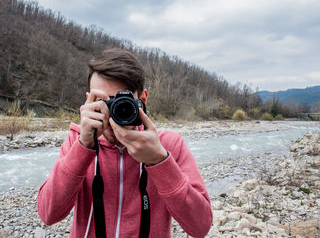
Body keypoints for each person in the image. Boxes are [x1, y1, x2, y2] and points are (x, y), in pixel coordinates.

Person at [37, 48, 212, 238]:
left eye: (123, 101)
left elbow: (200, 227)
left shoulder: (169, 145)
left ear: (142, 99)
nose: (114, 112)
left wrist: (159, 161)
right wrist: (83, 146)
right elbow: (48, 214)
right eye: (105, 101)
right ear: (89, 100)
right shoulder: (77, 141)